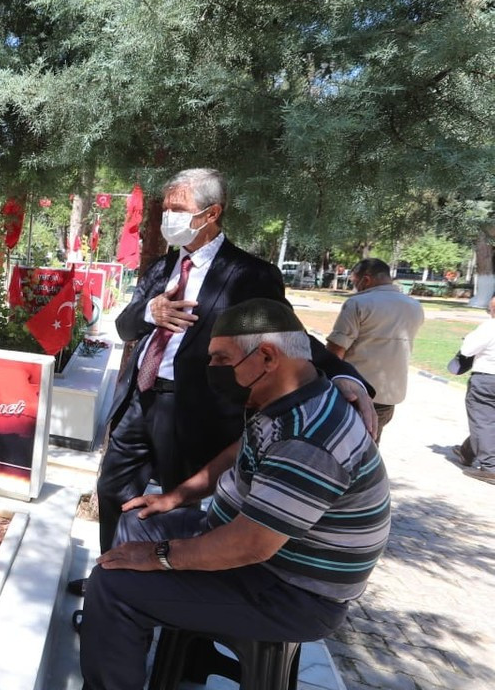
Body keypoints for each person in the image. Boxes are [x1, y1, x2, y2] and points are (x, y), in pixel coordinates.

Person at [80, 299, 390, 690]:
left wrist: (160, 557)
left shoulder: (308, 437)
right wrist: (176, 496)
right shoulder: (292, 394)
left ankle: (117, 642)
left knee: (113, 588)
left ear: (266, 356)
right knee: (137, 520)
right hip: (268, 559)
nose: (212, 371)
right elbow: (242, 448)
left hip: (293, 590)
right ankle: (129, 646)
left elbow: (251, 545)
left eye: (221, 359)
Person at [93, 168, 374, 555]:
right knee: (112, 490)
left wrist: (345, 375)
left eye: (178, 208)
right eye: (165, 208)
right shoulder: (162, 268)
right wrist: (149, 312)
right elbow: (125, 328)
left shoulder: (247, 274)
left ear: (211, 214)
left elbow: (288, 334)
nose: (167, 217)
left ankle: (167, 585)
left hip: (191, 408)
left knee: (180, 501)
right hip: (138, 399)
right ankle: (110, 566)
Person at [325, 258, 424, 440]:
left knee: (342, 447)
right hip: (389, 396)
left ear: (367, 280)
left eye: (355, 281)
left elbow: (335, 352)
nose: (355, 286)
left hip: (354, 393)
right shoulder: (415, 306)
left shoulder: (358, 303)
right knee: (369, 446)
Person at [458, 296, 495, 483]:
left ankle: (490, 467)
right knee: (487, 420)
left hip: (488, 377)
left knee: (483, 419)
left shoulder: (489, 327)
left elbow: (467, 350)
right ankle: (467, 451)